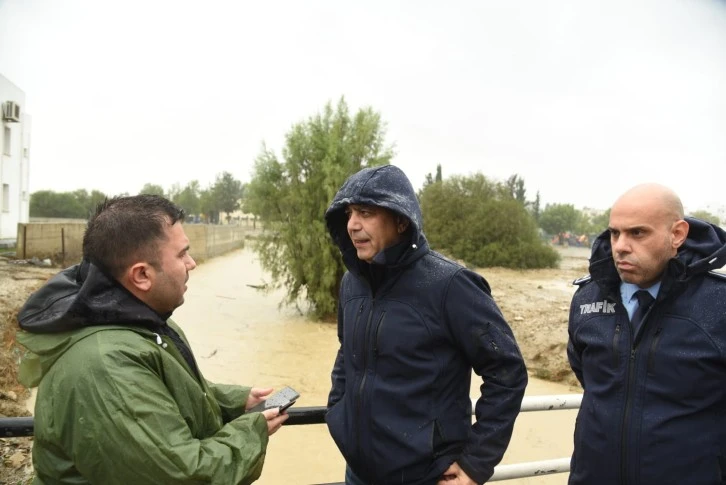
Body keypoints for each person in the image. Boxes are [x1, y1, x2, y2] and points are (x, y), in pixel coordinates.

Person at [16, 195, 288, 484]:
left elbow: (162, 390)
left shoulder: (142, 321)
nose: (192, 263)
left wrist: (235, 401)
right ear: (142, 275)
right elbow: (183, 475)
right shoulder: (106, 367)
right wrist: (251, 431)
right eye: (182, 254)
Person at [324, 165, 528, 485]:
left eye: (366, 212)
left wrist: (475, 464)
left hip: (427, 476)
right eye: (349, 213)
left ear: (401, 221)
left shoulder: (451, 285)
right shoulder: (352, 283)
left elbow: (507, 371)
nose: (352, 224)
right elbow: (345, 351)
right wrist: (337, 411)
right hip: (358, 473)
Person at [567, 183, 726, 485]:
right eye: (615, 233)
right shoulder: (587, 298)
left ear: (677, 234)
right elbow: (586, 374)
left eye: (637, 233)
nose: (620, 246)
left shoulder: (719, 304)